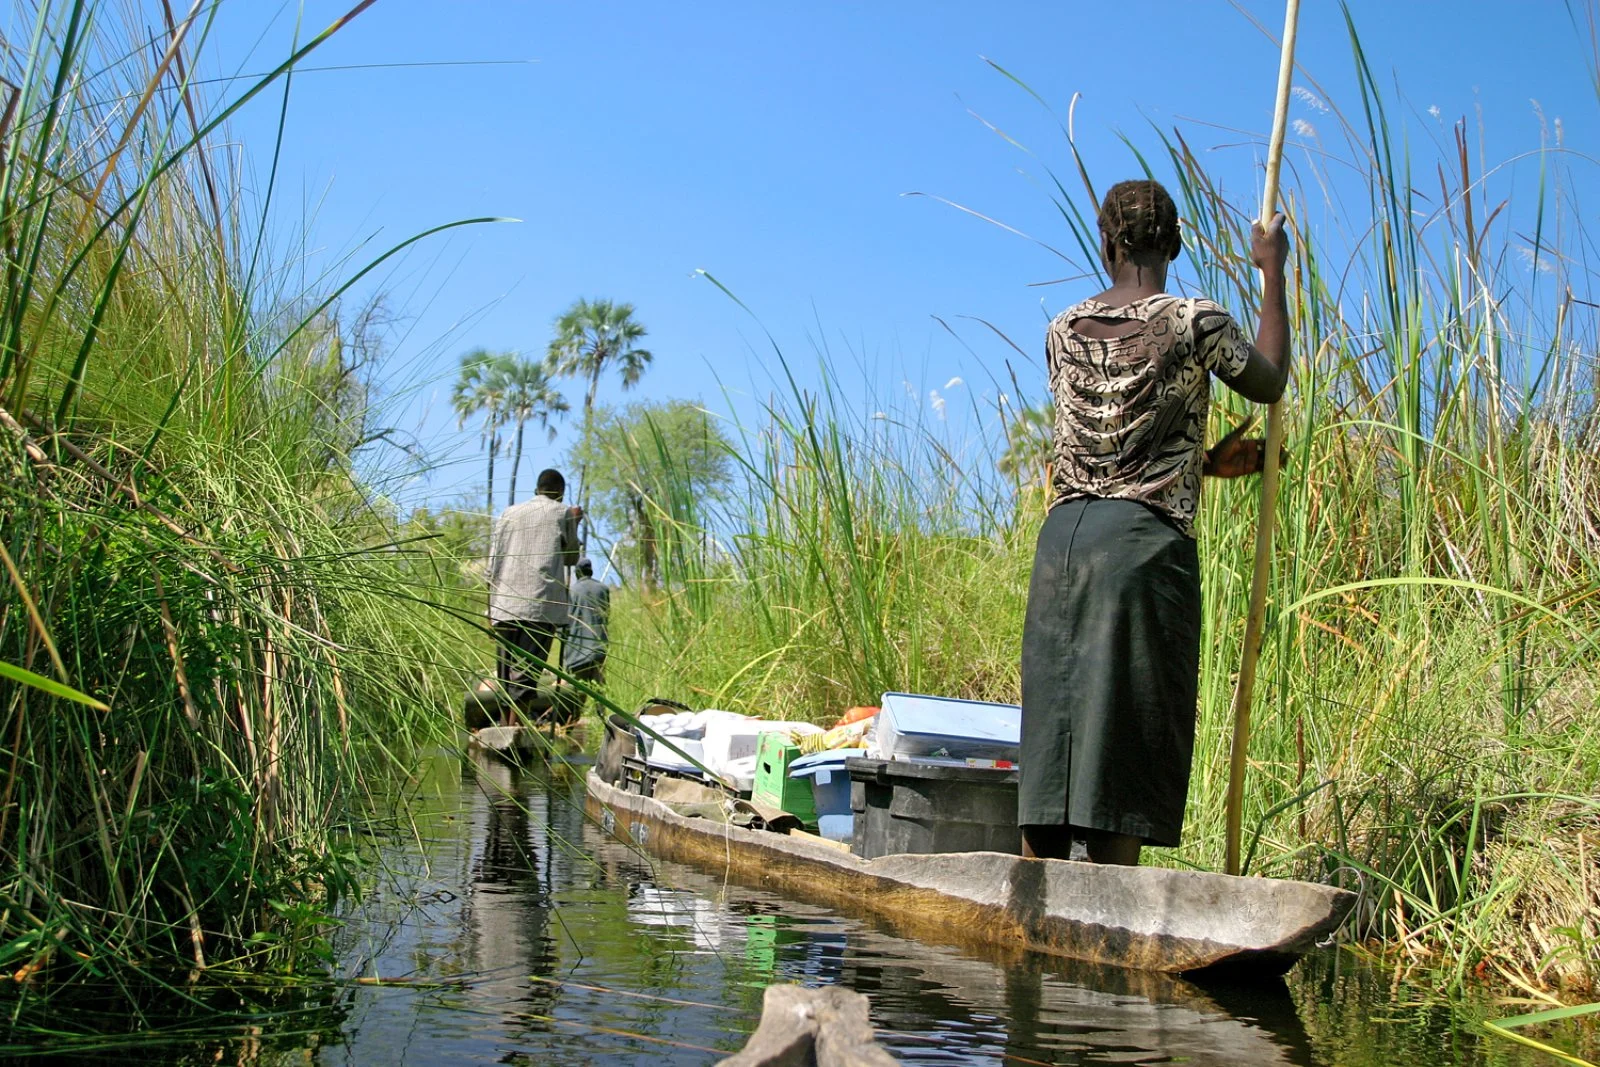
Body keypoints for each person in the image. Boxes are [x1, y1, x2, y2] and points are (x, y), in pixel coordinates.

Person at [1019, 179, 1290, 867]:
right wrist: (1272, 270)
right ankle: (1106, 925)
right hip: (1139, 553)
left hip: (1062, 550)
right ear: (1173, 242)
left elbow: (1107, 446)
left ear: (1107, 242)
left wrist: (1202, 464)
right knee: (1123, 752)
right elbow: (1269, 380)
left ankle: (1034, 916)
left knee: (1055, 751)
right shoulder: (1193, 320)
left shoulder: (1063, 329)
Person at [486, 468, 581, 724]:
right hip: (539, 604)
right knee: (527, 671)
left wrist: (489, 609)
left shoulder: (509, 513)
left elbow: (492, 564)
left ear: (536, 490)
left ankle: (509, 726)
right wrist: (576, 522)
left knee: (506, 672)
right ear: (559, 494)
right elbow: (572, 558)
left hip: (504, 604)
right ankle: (516, 727)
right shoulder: (563, 512)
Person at [559, 556, 610, 724]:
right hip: (599, 647)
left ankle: (571, 722)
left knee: (576, 692)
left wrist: (561, 634)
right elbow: (606, 614)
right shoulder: (603, 589)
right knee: (599, 689)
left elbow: (564, 621)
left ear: (577, 572)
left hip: (577, 650)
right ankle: (601, 721)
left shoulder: (571, 591)